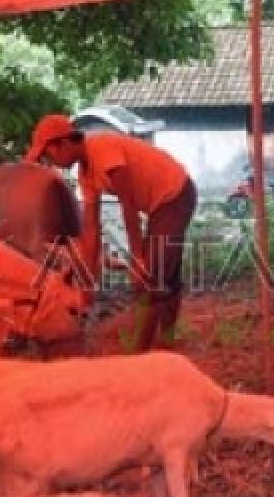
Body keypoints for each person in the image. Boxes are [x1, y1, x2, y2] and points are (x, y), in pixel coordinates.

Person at [24, 114, 197, 352]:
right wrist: (87, 282)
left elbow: (128, 203)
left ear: (62, 144)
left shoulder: (101, 148)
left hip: (174, 193)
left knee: (149, 278)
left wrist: (137, 257)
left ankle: (140, 355)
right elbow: (92, 230)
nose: (49, 161)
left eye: (47, 154)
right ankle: (166, 342)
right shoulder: (86, 175)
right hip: (159, 204)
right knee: (164, 274)